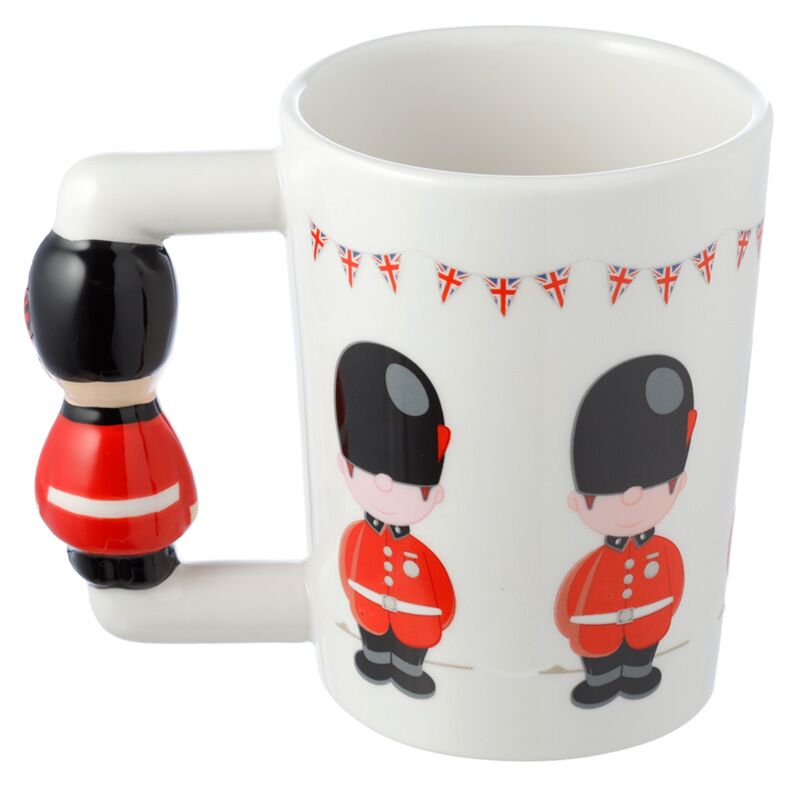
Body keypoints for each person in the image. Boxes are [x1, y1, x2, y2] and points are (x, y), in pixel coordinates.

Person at [28, 232, 197, 589]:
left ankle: (129, 560)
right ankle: (104, 559)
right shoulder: (145, 426)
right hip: (108, 522)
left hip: (101, 520)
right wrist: (185, 504)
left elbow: (46, 488)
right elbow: (180, 493)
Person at [555, 355, 696, 708]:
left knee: (641, 656)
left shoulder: (663, 552)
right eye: (607, 495)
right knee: (599, 660)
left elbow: (676, 587)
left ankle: (638, 673)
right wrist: (572, 627)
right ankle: (600, 680)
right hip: (597, 634)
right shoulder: (594, 564)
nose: (632, 499)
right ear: (577, 502)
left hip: (648, 627)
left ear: (678, 485)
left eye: (652, 487)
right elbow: (570, 602)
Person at [336, 342, 455, 699]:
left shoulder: (419, 552)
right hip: (370, 613)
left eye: (406, 486)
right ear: (344, 468)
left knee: (410, 649)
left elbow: (443, 596)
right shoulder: (357, 537)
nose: (385, 485)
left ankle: (409, 668)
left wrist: (441, 617)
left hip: (415, 625)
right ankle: (375, 657)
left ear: (434, 495)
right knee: (373, 638)